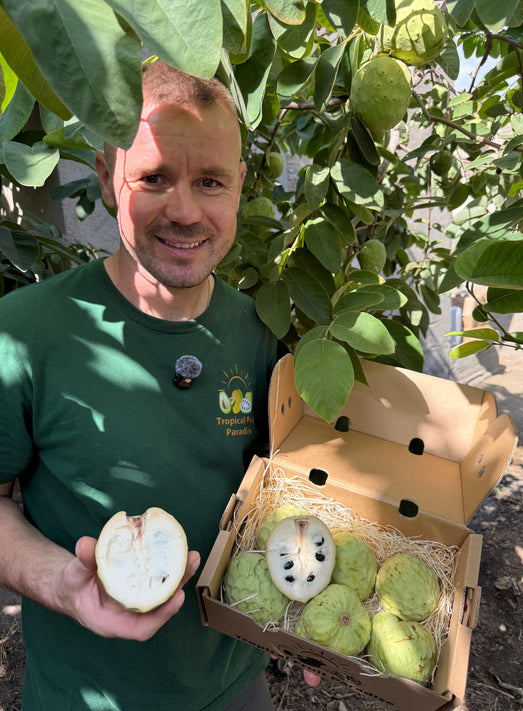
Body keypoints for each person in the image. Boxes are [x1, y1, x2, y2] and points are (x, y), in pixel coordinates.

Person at [0, 60, 318, 710]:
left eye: (209, 181)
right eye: (153, 177)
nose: (183, 210)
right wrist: (63, 583)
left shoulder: (259, 330)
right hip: (82, 698)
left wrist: (305, 605)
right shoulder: (25, 333)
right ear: (108, 177)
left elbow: (272, 492)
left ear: (237, 189)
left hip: (235, 686)